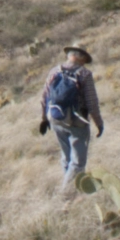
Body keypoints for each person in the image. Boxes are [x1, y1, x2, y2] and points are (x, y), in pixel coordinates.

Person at [37, 45, 103, 194]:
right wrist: (99, 123)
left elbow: (44, 98)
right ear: (81, 58)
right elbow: (92, 103)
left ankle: (72, 191)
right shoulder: (84, 74)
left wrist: (44, 119)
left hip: (55, 118)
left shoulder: (54, 71)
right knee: (78, 162)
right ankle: (65, 194)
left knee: (66, 157)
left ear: (69, 55)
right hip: (76, 122)